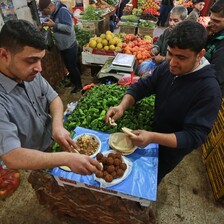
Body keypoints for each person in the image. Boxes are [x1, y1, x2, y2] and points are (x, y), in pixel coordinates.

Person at [105, 20, 222, 184]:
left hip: (172, 149)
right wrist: (122, 106)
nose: (173, 62)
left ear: (200, 55)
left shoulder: (209, 90)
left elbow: (194, 136)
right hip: (154, 131)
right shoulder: (167, 67)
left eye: (181, 57)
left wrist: (153, 137)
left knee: (151, 178)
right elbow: (144, 86)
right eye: (170, 53)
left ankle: (142, 204)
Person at [0, 19, 101, 175]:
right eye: (31, 60)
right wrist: (66, 159)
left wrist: (57, 127)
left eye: (40, 59)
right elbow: (11, 156)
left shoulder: (30, 75)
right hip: (32, 159)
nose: (39, 68)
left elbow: (54, 99)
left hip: (52, 142)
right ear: (4, 55)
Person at [38, 0, 82, 94]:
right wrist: (44, 25)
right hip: (63, 46)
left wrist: (54, 25)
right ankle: (72, 81)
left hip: (69, 46)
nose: (45, 14)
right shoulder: (54, 12)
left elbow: (69, 29)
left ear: (49, 8)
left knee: (72, 66)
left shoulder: (63, 11)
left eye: (45, 11)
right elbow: (52, 22)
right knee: (68, 66)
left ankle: (79, 86)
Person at [205, 0, 224, 97]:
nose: (211, 23)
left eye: (216, 21)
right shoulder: (213, 33)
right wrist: (205, 36)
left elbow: (216, 78)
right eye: (211, 18)